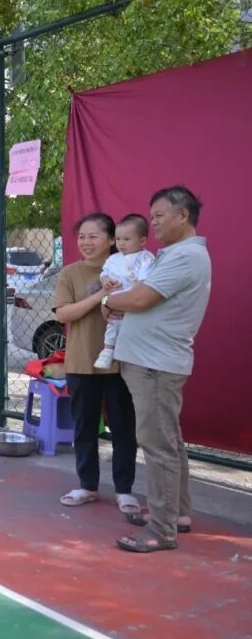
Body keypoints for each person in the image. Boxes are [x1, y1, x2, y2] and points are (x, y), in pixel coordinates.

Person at [106, 186, 211, 553]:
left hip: (154, 364)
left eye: (159, 216)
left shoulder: (184, 257)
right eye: (151, 217)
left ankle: (162, 529)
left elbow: (141, 298)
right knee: (168, 440)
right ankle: (176, 514)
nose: (153, 223)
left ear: (183, 215)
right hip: (153, 361)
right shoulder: (177, 255)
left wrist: (107, 299)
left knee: (158, 444)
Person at [53, 213, 140, 517]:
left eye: (94, 236)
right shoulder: (70, 273)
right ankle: (87, 485)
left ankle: (124, 490)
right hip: (82, 362)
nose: (86, 242)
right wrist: (102, 296)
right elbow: (63, 314)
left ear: (111, 239)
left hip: (121, 362)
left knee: (124, 428)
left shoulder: (128, 267)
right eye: (82, 237)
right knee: (84, 426)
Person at [94, 214, 154, 369]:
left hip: (134, 300)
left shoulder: (145, 258)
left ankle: (133, 352)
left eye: (127, 239)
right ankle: (108, 351)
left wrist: (129, 299)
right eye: (118, 239)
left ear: (142, 240)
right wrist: (106, 282)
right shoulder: (113, 259)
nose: (121, 243)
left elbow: (143, 282)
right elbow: (104, 274)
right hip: (114, 298)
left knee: (134, 329)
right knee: (112, 325)